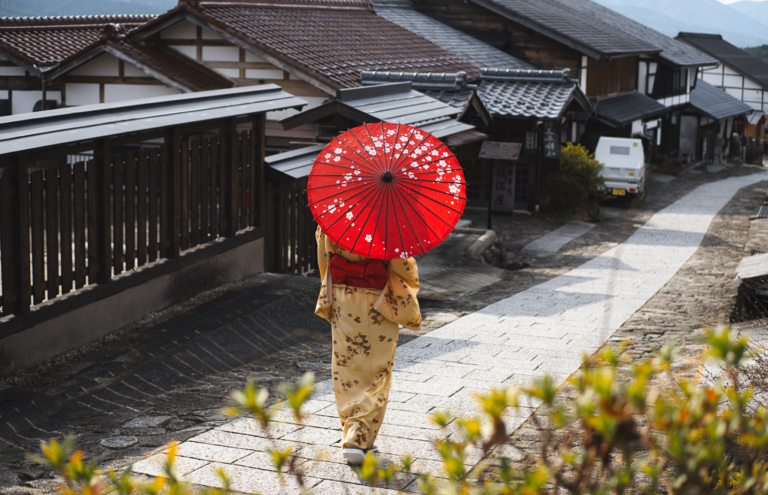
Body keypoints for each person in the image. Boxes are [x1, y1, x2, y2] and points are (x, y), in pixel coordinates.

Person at [314, 227, 422, 465]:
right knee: (377, 373)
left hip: (343, 300)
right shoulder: (386, 221)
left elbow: (325, 259)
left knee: (347, 369)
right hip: (377, 301)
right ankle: (358, 439)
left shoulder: (333, 217)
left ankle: (352, 430)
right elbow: (403, 266)